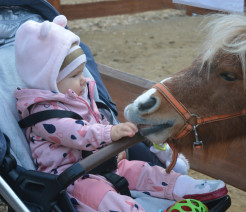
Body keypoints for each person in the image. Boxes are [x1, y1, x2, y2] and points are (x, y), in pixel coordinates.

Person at [14, 15, 227, 211]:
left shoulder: (77, 96)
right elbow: (78, 134)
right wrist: (111, 134)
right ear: (49, 78)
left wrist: (113, 146)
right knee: (105, 198)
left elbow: (98, 119)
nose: (84, 79)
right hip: (71, 179)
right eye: (75, 74)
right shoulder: (43, 112)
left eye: (82, 71)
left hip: (103, 163)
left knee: (144, 170)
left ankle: (190, 188)